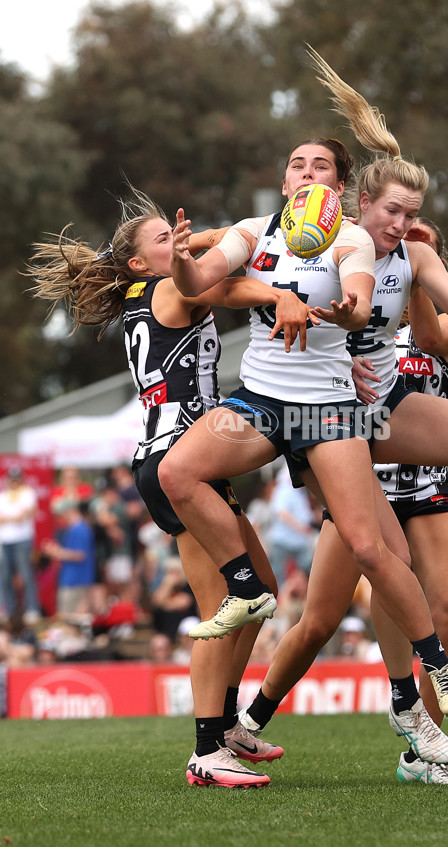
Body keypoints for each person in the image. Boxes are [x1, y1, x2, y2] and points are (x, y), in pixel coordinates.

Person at [234, 49, 448, 785]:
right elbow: (277, 293)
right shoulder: (324, 243)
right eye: (391, 210)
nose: (402, 222)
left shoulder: (409, 254)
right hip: (336, 428)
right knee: (338, 604)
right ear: (357, 205)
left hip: (392, 425)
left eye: (411, 213)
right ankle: (284, 717)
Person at [160, 131, 448, 768]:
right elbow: (199, 283)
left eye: (320, 166)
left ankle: (436, 666)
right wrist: (183, 262)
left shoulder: (352, 238)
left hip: (329, 410)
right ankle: (246, 585)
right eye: (296, 165)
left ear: (338, 187)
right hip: (262, 404)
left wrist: (345, 311)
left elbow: (358, 310)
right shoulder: (253, 231)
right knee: (177, 471)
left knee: (369, 545)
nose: (306, 173)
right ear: (284, 184)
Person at [27, 188, 317, 787]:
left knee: (256, 597)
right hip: (174, 463)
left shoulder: (152, 285)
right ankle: (207, 752)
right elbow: (229, 287)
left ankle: (227, 727)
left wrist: (210, 241)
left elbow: (211, 270)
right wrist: (278, 289)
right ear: (138, 263)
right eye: (164, 239)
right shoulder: (164, 288)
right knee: (223, 611)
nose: (178, 243)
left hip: (191, 459)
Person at [40, 501, 96, 617]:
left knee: (70, 618)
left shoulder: (79, 529)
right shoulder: (76, 528)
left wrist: (56, 552)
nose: (61, 518)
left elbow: (80, 555)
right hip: (73, 579)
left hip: (75, 581)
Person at [0, 467, 41, 626]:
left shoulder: (27, 493)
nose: (14, 482)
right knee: (4, 577)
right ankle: (8, 609)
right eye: (12, 479)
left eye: (17, 479)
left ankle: (32, 608)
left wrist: (9, 517)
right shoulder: (3, 496)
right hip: (5, 540)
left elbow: (23, 515)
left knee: (26, 574)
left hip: (23, 539)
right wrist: (14, 517)